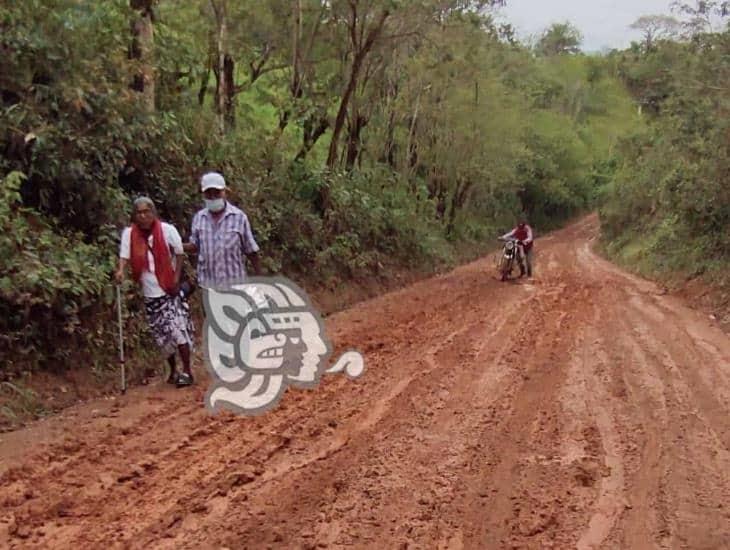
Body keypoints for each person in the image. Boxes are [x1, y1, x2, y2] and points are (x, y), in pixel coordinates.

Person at [115, 197, 195, 387]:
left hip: (168, 289)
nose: (143, 216)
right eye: (139, 212)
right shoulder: (129, 234)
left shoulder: (167, 231)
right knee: (162, 336)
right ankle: (173, 371)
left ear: (153, 213)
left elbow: (179, 253)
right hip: (150, 292)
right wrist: (120, 271)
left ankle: (188, 371)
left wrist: (176, 279)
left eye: (147, 212)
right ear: (134, 215)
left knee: (177, 331)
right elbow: (124, 256)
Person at [184, 171, 262, 289]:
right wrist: (177, 246)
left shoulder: (239, 217)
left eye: (217, 193)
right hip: (209, 287)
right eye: (208, 194)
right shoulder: (199, 218)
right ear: (203, 195)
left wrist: (260, 280)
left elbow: (251, 251)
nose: (213, 197)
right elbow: (195, 246)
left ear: (225, 192)